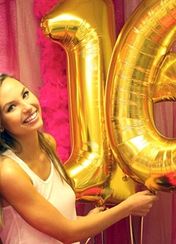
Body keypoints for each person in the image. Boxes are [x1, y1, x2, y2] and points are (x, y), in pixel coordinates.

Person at [0, 74, 157, 244]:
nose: (27, 107)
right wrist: (128, 207)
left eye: (25, 94)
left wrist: (86, 221)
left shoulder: (47, 144)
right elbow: (68, 233)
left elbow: (62, 223)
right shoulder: (8, 171)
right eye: (11, 108)